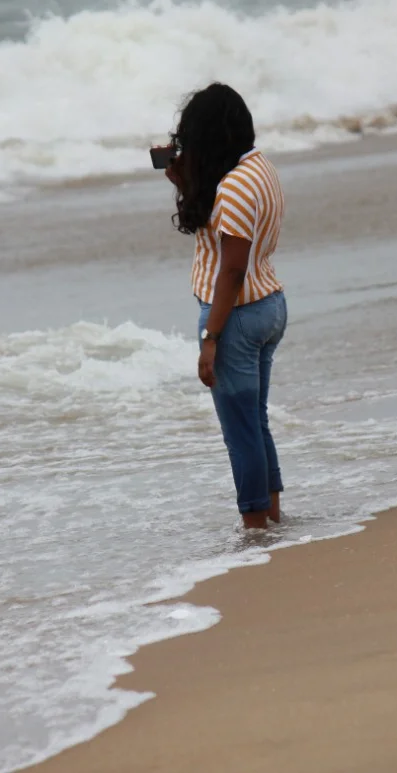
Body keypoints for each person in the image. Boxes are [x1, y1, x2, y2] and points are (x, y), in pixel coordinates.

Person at [164, 83, 288, 529]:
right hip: (268, 303)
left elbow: (232, 271)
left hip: (236, 313)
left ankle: (255, 529)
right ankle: (272, 514)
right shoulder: (258, 169)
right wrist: (185, 183)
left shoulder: (233, 188)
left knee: (240, 434)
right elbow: (220, 240)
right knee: (255, 421)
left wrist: (210, 338)